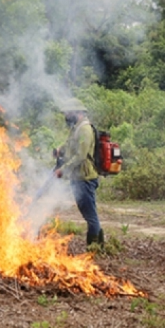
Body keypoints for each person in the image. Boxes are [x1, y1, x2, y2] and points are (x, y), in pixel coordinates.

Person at [54, 98, 103, 247]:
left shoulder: (85, 129)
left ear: (77, 113)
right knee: (85, 211)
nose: (66, 116)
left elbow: (81, 156)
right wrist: (59, 150)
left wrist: (63, 169)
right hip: (78, 177)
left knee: (90, 214)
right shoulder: (76, 128)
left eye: (68, 113)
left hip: (85, 178)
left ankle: (95, 246)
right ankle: (96, 244)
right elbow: (69, 145)